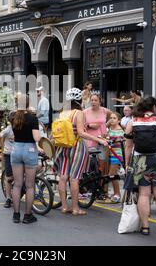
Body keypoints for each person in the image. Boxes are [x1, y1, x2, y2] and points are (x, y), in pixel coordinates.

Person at [124, 96, 156, 236]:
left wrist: (127, 163)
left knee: (144, 194)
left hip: (140, 159)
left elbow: (128, 146)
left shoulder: (133, 121)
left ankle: (145, 227)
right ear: (154, 107)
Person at [54, 88, 105, 216]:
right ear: (79, 99)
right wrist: (99, 140)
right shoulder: (79, 113)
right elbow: (82, 133)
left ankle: (65, 207)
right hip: (76, 147)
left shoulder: (63, 113)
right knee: (74, 178)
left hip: (63, 147)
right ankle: (76, 208)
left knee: (63, 176)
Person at [10, 94, 43, 224]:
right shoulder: (33, 118)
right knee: (29, 186)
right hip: (29, 150)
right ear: (28, 103)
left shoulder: (13, 117)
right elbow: (37, 138)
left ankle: (16, 214)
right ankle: (28, 215)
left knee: (17, 185)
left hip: (16, 149)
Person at [83, 94, 113, 176]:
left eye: (96, 100)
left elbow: (114, 117)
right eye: (92, 100)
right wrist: (90, 126)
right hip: (90, 140)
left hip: (102, 140)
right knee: (89, 163)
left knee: (101, 163)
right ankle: (88, 183)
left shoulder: (104, 111)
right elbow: (80, 125)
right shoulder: (85, 112)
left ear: (100, 101)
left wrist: (106, 127)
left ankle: (99, 184)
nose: (93, 102)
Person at [106, 112, 124, 203]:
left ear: (119, 120)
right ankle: (114, 193)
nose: (112, 119)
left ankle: (117, 194)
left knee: (112, 174)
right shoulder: (109, 129)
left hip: (117, 154)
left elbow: (119, 142)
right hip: (109, 154)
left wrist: (109, 140)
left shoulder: (120, 130)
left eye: (114, 118)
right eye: (111, 118)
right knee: (111, 175)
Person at [0, 113, 15, 209]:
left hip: (18, 154)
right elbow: (0, 136)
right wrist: (3, 147)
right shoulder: (8, 130)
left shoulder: (20, 128)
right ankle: (8, 198)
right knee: (9, 178)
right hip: (8, 155)